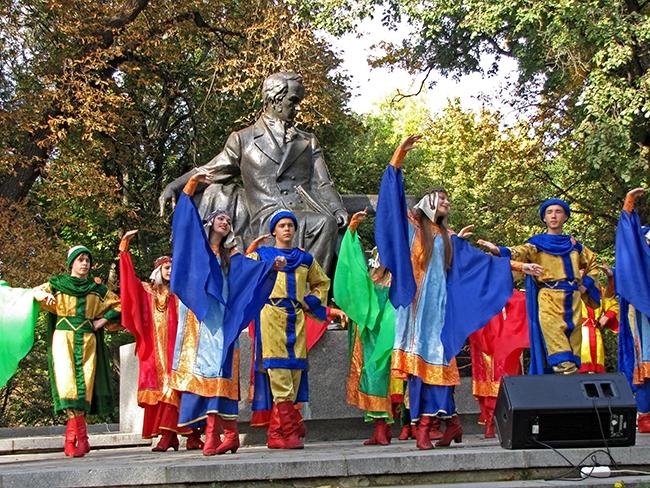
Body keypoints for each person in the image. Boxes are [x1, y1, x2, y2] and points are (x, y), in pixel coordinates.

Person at [374, 135, 543, 450]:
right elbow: (390, 203)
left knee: (437, 365)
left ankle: (430, 426)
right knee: (417, 370)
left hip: (439, 312)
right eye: (442, 199)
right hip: (413, 309)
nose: (447, 203)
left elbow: (482, 262)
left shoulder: (448, 238)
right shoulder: (412, 228)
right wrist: (398, 156)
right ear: (428, 203)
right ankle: (444, 425)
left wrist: (521, 266)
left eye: (448, 200)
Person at [159, 72, 348, 276]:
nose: (298, 107)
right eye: (293, 100)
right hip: (268, 215)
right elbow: (209, 171)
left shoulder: (308, 141)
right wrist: (174, 186)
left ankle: (310, 286)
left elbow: (323, 183)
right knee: (324, 223)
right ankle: (306, 284)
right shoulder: (243, 139)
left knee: (333, 225)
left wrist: (338, 209)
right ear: (275, 100)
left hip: (304, 209)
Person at [169, 169, 282, 455]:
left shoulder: (229, 257)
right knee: (208, 370)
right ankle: (216, 434)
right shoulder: (199, 250)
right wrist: (190, 185)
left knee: (222, 370)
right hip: (201, 317)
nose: (226, 222)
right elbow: (184, 225)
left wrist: (270, 267)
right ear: (209, 223)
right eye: (221, 218)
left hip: (224, 319)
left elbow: (246, 271)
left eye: (229, 221)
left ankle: (223, 435)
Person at [248, 209, 342, 449]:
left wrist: (310, 301)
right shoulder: (263, 255)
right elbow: (242, 272)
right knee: (279, 372)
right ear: (273, 231)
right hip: (271, 314)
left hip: (296, 316)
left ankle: (275, 434)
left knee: (294, 373)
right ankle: (290, 432)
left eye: (290, 225)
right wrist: (256, 255)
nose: (287, 229)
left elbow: (322, 283)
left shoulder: (305, 259)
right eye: (282, 226)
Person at [478, 199, 600, 375]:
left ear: (565, 217)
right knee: (554, 334)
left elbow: (593, 263)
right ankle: (565, 371)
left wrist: (585, 285)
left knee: (574, 337)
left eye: (558, 212)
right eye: (549, 212)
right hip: (549, 295)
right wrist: (498, 250)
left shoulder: (574, 245)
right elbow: (519, 251)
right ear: (544, 218)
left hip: (572, 296)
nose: (553, 215)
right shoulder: (537, 243)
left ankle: (570, 377)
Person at [32, 246, 121, 457]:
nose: (85, 263)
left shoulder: (96, 289)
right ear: (71, 263)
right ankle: (81, 439)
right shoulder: (57, 284)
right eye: (80, 259)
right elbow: (35, 292)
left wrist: (101, 321)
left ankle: (74, 440)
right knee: (67, 384)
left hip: (88, 340)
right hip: (63, 339)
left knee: (84, 387)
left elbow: (120, 305)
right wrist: (44, 297)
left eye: (87, 260)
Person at [118, 231, 202, 451]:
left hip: (182, 350)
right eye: (167, 267)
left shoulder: (182, 293)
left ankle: (186, 436)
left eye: (173, 267)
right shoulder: (148, 292)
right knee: (166, 390)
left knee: (185, 389)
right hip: (157, 353)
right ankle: (170, 436)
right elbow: (128, 284)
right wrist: (124, 251)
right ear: (158, 271)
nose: (171, 271)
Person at [334, 209, 401, 446]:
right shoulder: (371, 279)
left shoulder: (397, 280)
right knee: (373, 375)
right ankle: (381, 428)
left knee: (378, 375)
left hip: (385, 334)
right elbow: (352, 269)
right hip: (371, 334)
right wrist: (351, 230)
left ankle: (384, 427)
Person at [469, 290, 527, 438]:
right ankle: (491, 420)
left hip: (495, 326)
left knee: (497, 372)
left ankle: (492, 421)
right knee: (494, 372)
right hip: (491, 327)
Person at [615, 187, 650, 431]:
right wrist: (628, 205)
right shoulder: (642, 252)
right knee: (647, 363)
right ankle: (645, 415)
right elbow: (630, 241)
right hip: (645, 310)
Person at [578, 263, 619, 374]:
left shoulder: (598, 290)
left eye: (584, 269)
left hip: (595, 334)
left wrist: (607, 316)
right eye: (579, 269)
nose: (581, 272)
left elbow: (612, 302)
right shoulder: (568, 288)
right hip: (577, 334)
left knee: (597, 372)